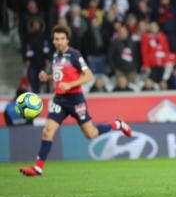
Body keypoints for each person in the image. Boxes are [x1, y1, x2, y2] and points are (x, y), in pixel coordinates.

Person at [19, 25, 132, 177]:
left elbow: (89, 75)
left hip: (75, 99)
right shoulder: (55, 56)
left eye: (62, 39)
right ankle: (38, 168)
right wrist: (48, 77)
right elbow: (61, 75)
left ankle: (118, 124)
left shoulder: (74, 54)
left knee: (91, 134)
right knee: (47, 131)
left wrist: (70, 85)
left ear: (67, 40)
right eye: (56, 39)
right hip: (59, 99)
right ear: (53, 41)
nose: (59, 42)